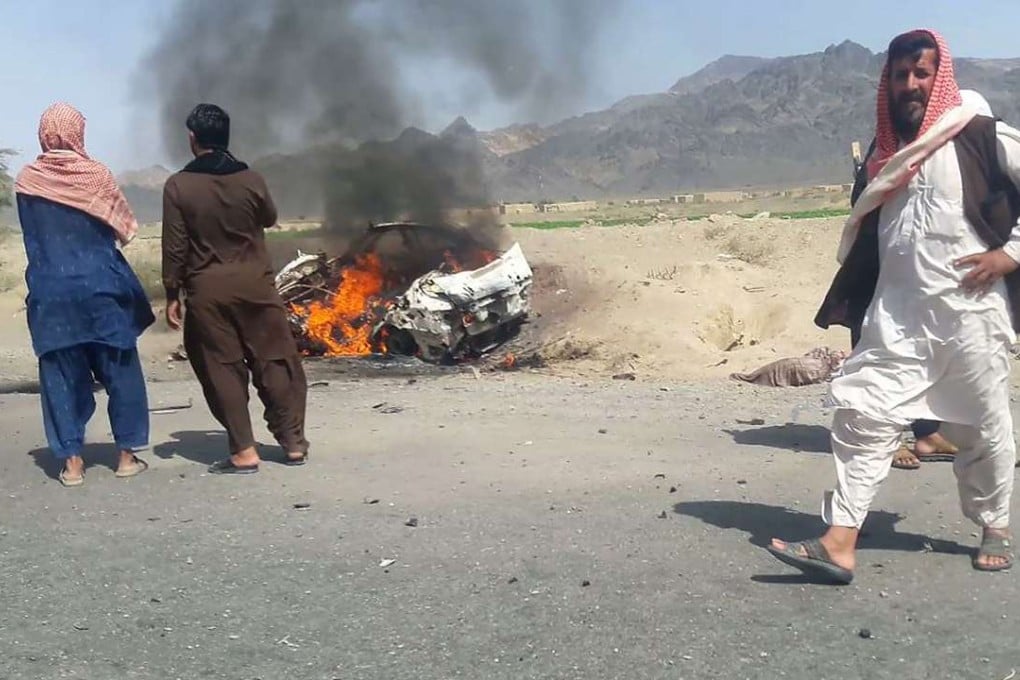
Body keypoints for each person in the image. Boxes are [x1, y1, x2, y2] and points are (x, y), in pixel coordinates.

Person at [771, 29, 1020, 583]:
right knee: (861, 409)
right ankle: (840, 539)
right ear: (887, 82)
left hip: (972, 315)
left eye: (922, 73)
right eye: (901, 74)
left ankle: (994, 524)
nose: (911, 84)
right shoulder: (887, 155)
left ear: (940, 78)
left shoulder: (978, 134)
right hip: (899, 315)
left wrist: (1010, 254)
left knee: (982, 426)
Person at [161, 103, 309, 474]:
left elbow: (175, 247)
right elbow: (270, 218)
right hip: (257, 286)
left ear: (193, 139)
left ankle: (243, 450)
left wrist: (170, 294)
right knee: (275, 359)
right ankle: (292, 442)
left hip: (208, 292)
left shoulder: (178, 185)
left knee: (221, 367)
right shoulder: (252, 179)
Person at [14, 103, 155, 487]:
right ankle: (126, 457)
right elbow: (123, 229)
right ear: (78, 132)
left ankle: (72, 463)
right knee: (121, 370)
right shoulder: (96, 176)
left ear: (44, 133)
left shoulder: (27, 181)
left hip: (51, 291)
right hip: (101, 288)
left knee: (60, 374)